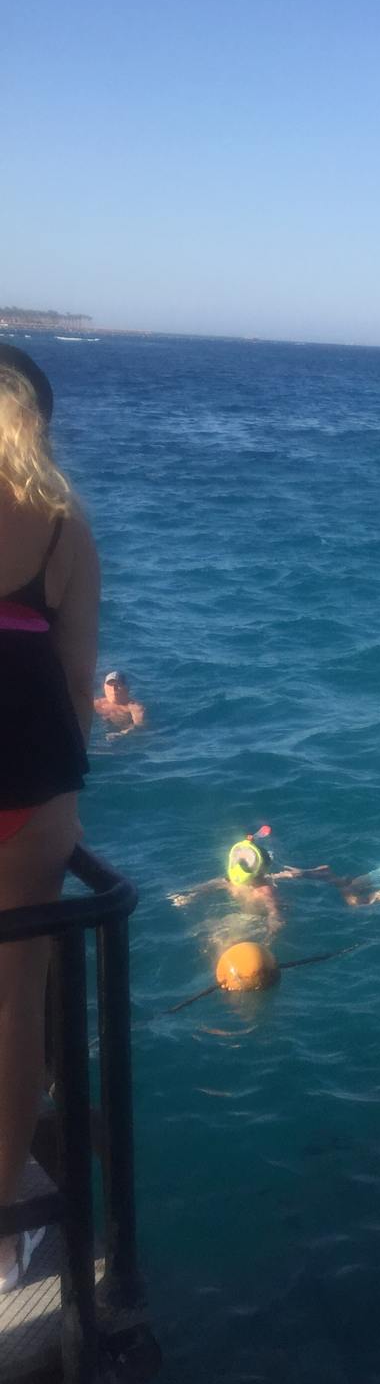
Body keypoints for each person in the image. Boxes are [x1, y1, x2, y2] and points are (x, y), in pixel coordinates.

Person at [0, 346, 99, 1294]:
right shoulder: (65, 525)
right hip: (30, 788)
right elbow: (77, 684)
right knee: (14, 999)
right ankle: (1, 1239)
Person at [169, 827, 299, 935]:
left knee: (219, 932)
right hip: (248, 919)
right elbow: (274, 912)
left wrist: (189, 896)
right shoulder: (258, 888)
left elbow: (207, 887)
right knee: (218, 930)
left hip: (245, 919)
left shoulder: (240, 884)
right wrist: (190, 895)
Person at [94, 669, 146, 737]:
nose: (113, 688)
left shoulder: (134, 708)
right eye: (110, 684)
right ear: (105, 687)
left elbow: (139, 726)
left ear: (126, 688)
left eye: (118, 685)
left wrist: (122, 733)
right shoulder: (97, 704)